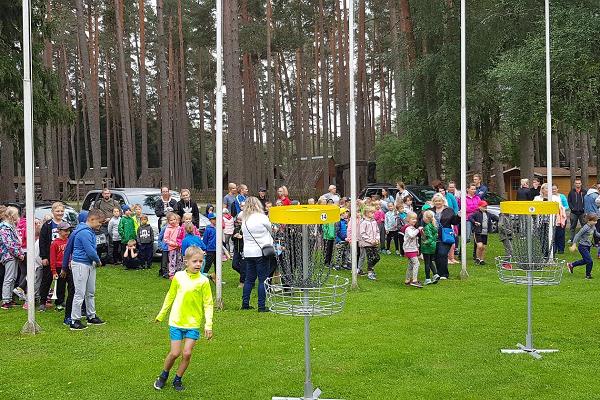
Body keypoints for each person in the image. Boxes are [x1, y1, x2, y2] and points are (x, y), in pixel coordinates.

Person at [154, 246, 214, 392]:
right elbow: (170, 295)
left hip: (193, 323)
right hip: (176, 321)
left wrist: (208, 325)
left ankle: (178, 379)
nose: (198, 264)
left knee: (186, 353)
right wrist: (161, 314)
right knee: (175, 353)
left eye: (201, 261)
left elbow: (208, 303)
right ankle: (163, 375)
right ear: (186, 262)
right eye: (195, 261)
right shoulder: (179, 277)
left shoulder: (203, 281)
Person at [61, 209, 105, 330]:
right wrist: (98, 260)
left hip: (89, 264)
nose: (100, 224)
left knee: (90, 292)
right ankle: (75, 320)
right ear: (92, 219)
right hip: (81, 264)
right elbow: (90, 250)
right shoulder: (84, 232)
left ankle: (91, 315)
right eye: (99, 222)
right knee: (79, 293)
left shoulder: (87, 231)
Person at [241, 197, 273, 312]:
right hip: (262, 251)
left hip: (249, 252)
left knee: (249, 279)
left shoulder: (244, 219)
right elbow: (271, 229)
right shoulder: (262, 217)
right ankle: (261, 306)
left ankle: (245, 303)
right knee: (262, 279)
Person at [39, 202, 67, 311]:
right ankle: (43, 301)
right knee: (47, 279)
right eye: (57, 211)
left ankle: (60, 300)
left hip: (62, 257)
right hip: (50, 257)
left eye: (61, 211)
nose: (60, 213)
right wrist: (44, 257)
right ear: (52, 212)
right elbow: (42, 241)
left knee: (62, 280)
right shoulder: (48, 225)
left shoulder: (65, 224)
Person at [0, 207, 24, 309]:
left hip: (13, 255)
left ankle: (10, 298)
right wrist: (19, 254)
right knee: (9, 277)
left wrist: (19, 252)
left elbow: (16, 242)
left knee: (13, 277)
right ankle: (5, 300)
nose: (17, 216)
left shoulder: (11, 226)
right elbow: (9, 244)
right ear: (11, 215)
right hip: (8, 255)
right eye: (16, 214)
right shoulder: (4, 227)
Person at [432, 193, 460, 279]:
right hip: (433, 236)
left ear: (443, 201)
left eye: (439, 201)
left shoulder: (449, 210)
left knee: (442, 253)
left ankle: (444, 274)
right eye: (436, 201)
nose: (438, 203)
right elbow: (424, 220)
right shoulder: (430, 210)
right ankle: (438, 273)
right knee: (436, 255)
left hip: (445, 236)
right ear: (433, 202)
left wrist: (458, 216)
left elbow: (454, 222)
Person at [568, 214, 600, 279]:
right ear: (589, 220)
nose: (596, 222)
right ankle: (588, 276)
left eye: (596, 221)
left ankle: (571, 265)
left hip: (588, 246)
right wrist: (574, 244)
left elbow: (596, 234)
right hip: (582, 246)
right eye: (594, 221)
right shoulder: (585, 227)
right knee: (590, 261)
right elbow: (577, 235)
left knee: (586, 260)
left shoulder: (593, 226)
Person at [469, 201, 498, 265]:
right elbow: (470, 217)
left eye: (486, 206)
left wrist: (501, 217)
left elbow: (495, 218)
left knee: (484, 247)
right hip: (478, 232)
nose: (485, 207)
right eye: (483, 206)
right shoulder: (476, 213)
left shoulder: (488, 214)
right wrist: (475, 222)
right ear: (479, 207)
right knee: (480, 246)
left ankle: (482, 259)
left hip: (485, 233)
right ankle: (477, 258)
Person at [49, 223, 71, 309]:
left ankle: (67, 300)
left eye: (68, 230)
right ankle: (59, 302)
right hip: (59, 267)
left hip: (69, 266)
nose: (67, 232)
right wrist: (54, 271)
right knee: (60, 286)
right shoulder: (55, 243)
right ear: (59, 231)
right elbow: (52, 258)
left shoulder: (69, 240)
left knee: (70, 284)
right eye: (65, 231)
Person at [401, 212, 423, 288]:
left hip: (412, 249)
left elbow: (415, 240)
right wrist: (418, 230)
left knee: (410, 265)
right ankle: (414, 280)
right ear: (408, 219)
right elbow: (412, 235)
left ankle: (407, 280)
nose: (415, 220)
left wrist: (417, 249)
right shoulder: (408, 228)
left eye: (415, 219)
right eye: (412, 219)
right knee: (417, 264)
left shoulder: (412, 228)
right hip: (409, 249)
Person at [359, 206, 380, 281]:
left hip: (374, 242)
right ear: (367, 213)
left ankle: (370, 268)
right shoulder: (364, 222)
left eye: (374, 212)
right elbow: (362, 233)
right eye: (372, 212)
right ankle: (370, 272)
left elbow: (377, 231)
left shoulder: (374, 221)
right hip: (367, 243)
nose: (373, 214)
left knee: (377, 257)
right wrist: (370, 240)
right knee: (370, 258)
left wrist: (377, 239)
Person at [421, 210, 440, 285]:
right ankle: (435, 274)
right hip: (433, 246)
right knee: (430, 261)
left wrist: (425, 242)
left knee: (427, 263)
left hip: (427, 247)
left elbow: (430, 238)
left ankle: (427, 278)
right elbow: (435, 236)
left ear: (426, 218)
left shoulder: (427, 227)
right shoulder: (433, 226)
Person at [164, 213, 183, 278]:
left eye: (174, 219)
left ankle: (179, 272)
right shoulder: (168, 229)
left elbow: (182, 236)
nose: (173, 221)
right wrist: (174, 244)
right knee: (172, 260)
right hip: (172, 248)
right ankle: (172, 274)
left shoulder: (179, 228)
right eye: (171, 220)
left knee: (179, 259)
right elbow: (166, 239)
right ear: (168, 221)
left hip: (179, 247)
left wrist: (180, 243)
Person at [231, 215, 246, 286]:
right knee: (234, 265)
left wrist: (242, 237)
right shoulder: (236, 229)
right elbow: (232, 238)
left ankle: (242, 282)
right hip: (236, 250)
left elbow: (249, 239)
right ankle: (246, 275)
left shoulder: (246, 229)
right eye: (238, 220)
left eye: (241, 220)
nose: (239, 221)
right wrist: (234, 236)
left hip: (244, 250)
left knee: (243, 266)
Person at [202, 214, 217, 279]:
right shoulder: (208, 229)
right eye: (213, 219)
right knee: (208, 264)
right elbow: (205, 240)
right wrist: (204, 249)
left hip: (217, 249)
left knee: (217, 265)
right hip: (210, 249)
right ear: (210, 220)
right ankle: (203, 277)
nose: (215, 220)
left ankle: (217, 278)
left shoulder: (219, 227)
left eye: (216, 218)